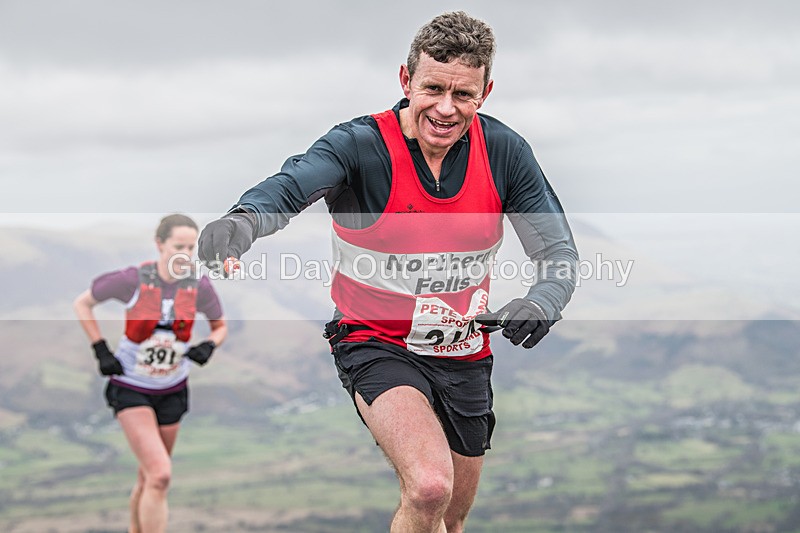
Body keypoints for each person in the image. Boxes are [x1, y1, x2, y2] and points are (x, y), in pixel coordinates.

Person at [199, 11, 577, 533]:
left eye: (463, 95)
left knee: (452, 518)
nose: (446, 109)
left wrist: (543, 302)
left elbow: (557, 251)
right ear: (406, 80)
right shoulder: (358, 146)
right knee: (428, 488)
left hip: (463, 350)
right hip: (375, 340)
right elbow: (289, 187)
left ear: (485, 93)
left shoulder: (506, 152)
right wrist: (243, 220)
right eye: (432, 88)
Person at [74, 214, 227, 533]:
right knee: (160, 475)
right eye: (178, 246)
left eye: (191, 247)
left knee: (149, 477)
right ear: (159, 244)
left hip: (173, 389)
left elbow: (219, 326)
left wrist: (209, 346)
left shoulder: (198, 285)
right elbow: (83, 303)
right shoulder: (132, 279)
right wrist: (100, 349)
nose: (185, 254)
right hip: (132, 386)